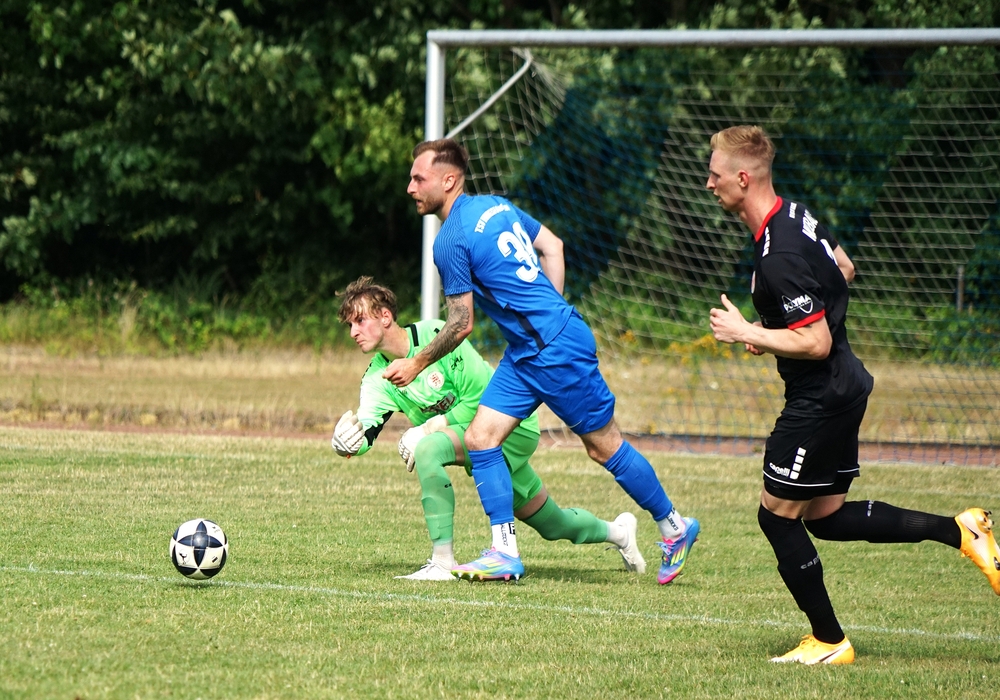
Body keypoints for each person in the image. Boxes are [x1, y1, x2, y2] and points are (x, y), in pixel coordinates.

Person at [706, 125, 1000, 665]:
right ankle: (960, 531)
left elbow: (815, 342)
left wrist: (751, 332)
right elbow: (844, 269)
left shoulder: (777, 253)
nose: (709, 183)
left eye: (715, 174)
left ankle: (829, 641)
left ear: (742, 178)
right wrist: (775, 328)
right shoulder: (795, 214)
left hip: (819, 397)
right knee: (825, 517)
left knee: (776, 517)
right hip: (845, 384)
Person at [383, 138, 699, 584]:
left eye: (419, 178)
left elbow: (461, 323)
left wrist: (416, 364)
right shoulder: (496, 205)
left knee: (603, 446)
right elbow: (553, 245)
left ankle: (674, 527)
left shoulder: (450, 239)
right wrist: (550, 308)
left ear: (448, 180)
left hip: (553, 350)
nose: (411, 187)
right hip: (528, 351)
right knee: (481, 437)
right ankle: (504, 552)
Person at [331, 275, 646, 581]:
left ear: (385, 316)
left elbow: (481, 399)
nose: (353, 332)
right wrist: (348, 443)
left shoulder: (437, 336)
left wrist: (429, 428)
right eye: (350, 326)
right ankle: (620, 532)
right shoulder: (377, 377)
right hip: (479, 445)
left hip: (511, 427)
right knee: (553, 524)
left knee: (428, 449)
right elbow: (367, 429)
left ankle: (442, 562)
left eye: (360, 321)